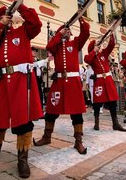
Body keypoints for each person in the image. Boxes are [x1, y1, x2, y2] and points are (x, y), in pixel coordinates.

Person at [0, 4, 43, 179]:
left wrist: (20, 7)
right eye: (4, 18)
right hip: (2, 82)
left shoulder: (23, 32)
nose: (8, 21)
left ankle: (22, 158)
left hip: (21, 80)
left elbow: (36, 24)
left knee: (23, 118)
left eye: (8, 18)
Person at [33, 18, 90, 154]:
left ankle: (78, 141)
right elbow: (49, 47)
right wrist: (59, 34)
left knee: (76, 113)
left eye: (68, 30)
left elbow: (85, 33)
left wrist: (81, 19)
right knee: (51, 111)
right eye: (65, 30)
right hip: (58, 82)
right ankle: (47, 137)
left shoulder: (75, 43)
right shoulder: (56, 45)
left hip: (73, 83)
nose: (68, 32)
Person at [84, 34, 126, 132]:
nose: (99, 47)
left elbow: (111, 45)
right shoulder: (90, 56)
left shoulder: (103, 54)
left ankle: (115, 124)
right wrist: (94, 51)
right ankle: (96, 122)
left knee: (112, 102)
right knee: (97, 103)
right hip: (99, 81)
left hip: (108, 80)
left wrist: (111, 34)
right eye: (97, 45)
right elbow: (87, 60)